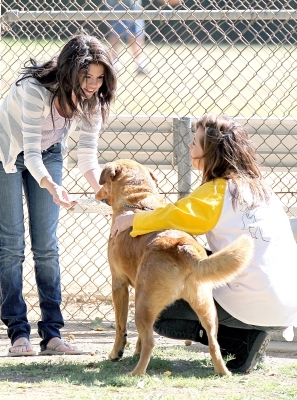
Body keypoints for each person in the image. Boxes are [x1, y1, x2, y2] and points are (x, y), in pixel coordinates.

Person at [110, 113, 297, 373]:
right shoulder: (260, 188)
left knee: (160, 301)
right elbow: (182, 210)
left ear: (211, 153)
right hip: (286, 302)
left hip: (250, 301)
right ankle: (249, 335)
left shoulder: (217, 191)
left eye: (195, 143)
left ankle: (237, 342)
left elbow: (176, 216)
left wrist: (135, 219)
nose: (189, 147)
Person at [0, 33, 117, 356]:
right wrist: (53, 186)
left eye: (100, 78)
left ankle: (53, 335)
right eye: (87, 76)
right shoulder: (34, 91)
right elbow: (28, 155)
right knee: (13, 244)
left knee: (47, 245)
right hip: (7, 152)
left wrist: (102, 193)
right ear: (70, 70)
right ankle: (18, 334)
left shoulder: (93, 103)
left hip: (49, 152)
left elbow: (87, 157)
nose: (93, 85)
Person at [106, 0, 148, 75]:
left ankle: (140, 63)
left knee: (136, 33)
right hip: (116, 4)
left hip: (133, 4)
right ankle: (114, 63)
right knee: (115, 33)